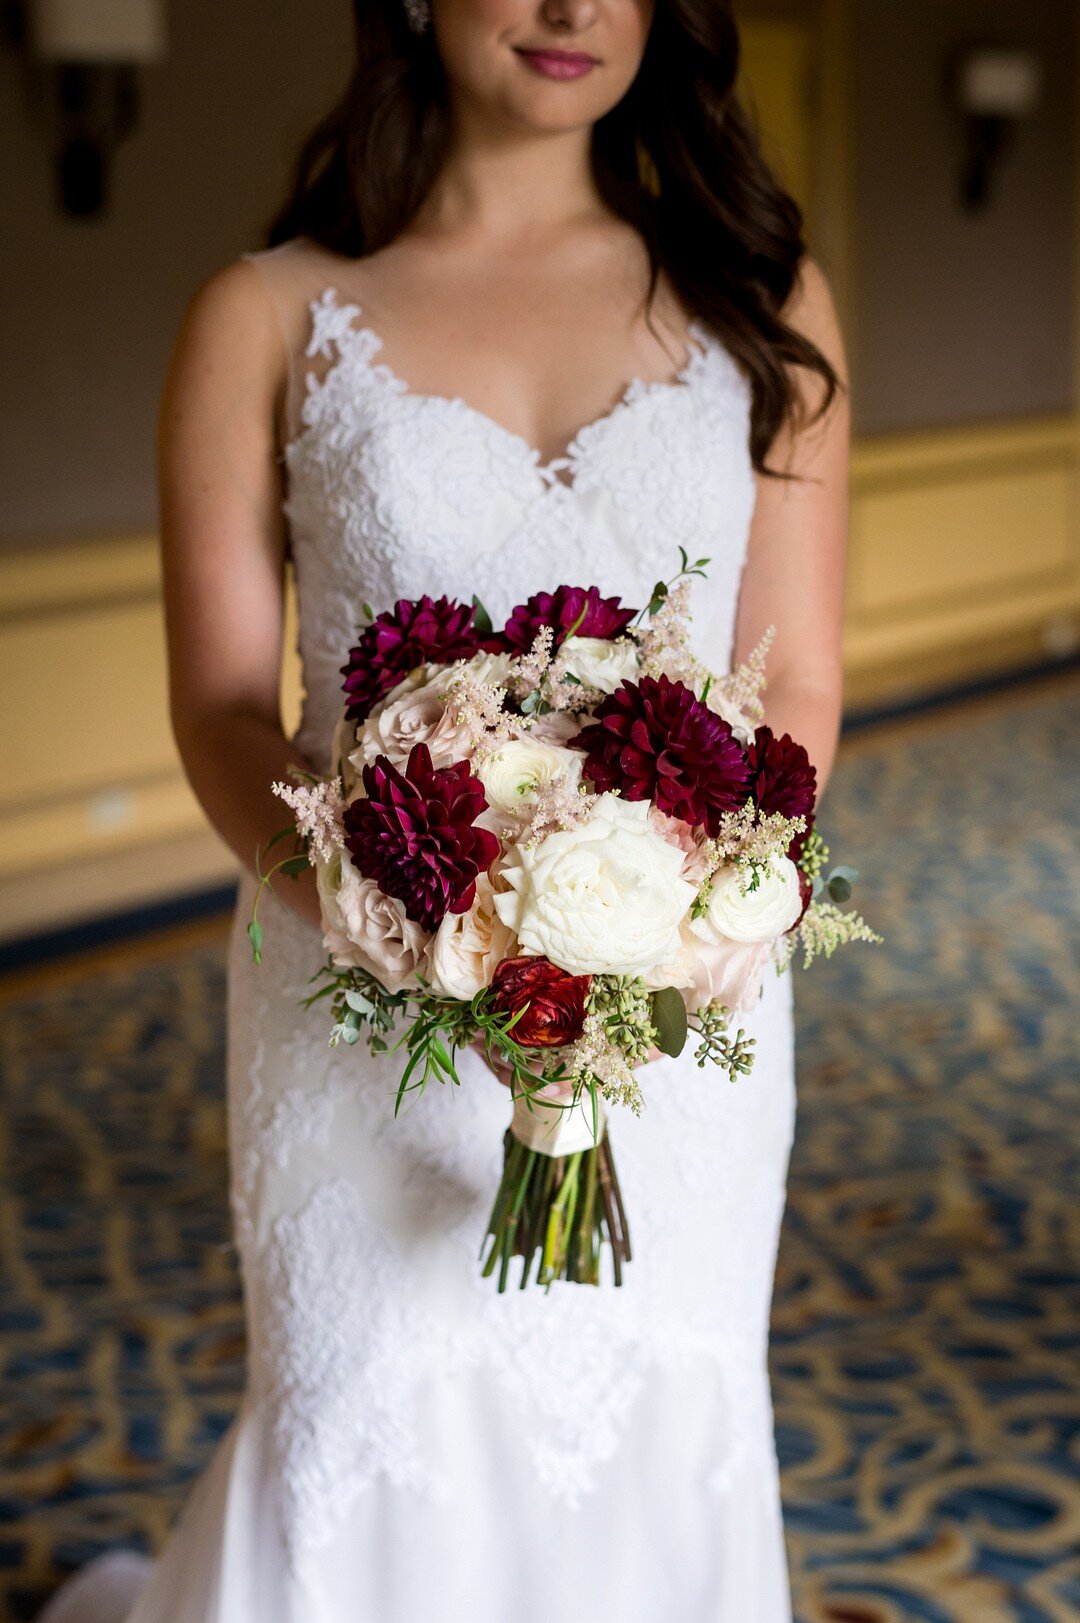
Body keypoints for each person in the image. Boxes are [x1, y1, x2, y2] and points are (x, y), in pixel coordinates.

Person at [38, 0, 848, 1617]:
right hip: (354, 995)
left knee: (651, 1391)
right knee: (373, 1398)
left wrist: (697, 922)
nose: (571, 9)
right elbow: (217, 708)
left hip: (674, 1006)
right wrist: (399, 921)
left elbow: (800, 682)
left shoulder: (764, 301)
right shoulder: (266, 315)